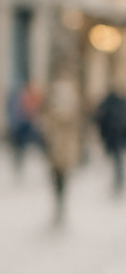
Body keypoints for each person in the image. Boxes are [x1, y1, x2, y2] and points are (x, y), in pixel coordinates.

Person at [43, 69, 84, 224]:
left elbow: (46, 125)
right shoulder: (71, 105)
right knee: (61, 177)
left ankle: (59, 201)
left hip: (58, 149)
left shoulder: (54, 110)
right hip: (62, 149)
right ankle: (60, 201)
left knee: (58, 177)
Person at [93, 85, 126, 193]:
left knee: (117, 160)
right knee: (116, 160)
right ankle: (118, 180)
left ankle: (118, 180)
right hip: (113, 137)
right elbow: (101, 119)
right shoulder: (112, 103)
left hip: (117, 137)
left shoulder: (119, 103)